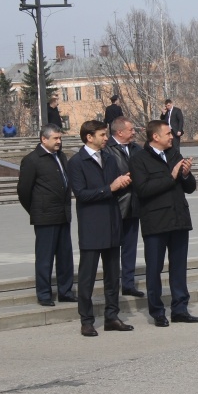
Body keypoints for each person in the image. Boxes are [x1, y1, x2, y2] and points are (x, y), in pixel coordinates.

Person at [129, 120, 198, 326]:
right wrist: (171, 176)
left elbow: (189, 187)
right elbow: (143, 190)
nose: (172, 136)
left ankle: (180, 309)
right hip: (155, 222)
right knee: (154, 269)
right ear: (155, 137)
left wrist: (185, 174)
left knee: (179, 268)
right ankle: (157, 311)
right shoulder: (139, 159)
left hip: (179, 219)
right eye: (168, 133)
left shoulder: (174, 154)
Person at [67, 120, 134, 337]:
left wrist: (121, 184)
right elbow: (82, 194)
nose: (106, 138)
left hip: (112, 223)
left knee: (113, 276)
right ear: (89, 137)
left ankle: (111, 317)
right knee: (87, 278)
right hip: (92, 226)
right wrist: (110, 188)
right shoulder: (77, 162)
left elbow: (114, 189)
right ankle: (86, 320)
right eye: (102, 135)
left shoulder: (109, 157)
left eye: (106, 134)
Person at [17, 124, 76, 306]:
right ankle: (44, 294)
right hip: (45, 216)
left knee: (65, 256)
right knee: (45, 258)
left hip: (62, 214)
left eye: (60, 138)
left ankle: (65, 291)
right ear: (44, 139)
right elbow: (24, 191)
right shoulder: (32, 160)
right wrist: (37, 209)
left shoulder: (61, 156)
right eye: (55, 138)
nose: (59, 141)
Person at [103, 116, 145, 298]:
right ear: (120, 132)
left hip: (134, 204)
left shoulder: (137, 149)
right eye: (131, 129)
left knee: (130, 247)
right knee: (111, 249)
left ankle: (128, 283)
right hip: (114, 205)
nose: (134, 132)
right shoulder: (107, 149)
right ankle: (111, 285)